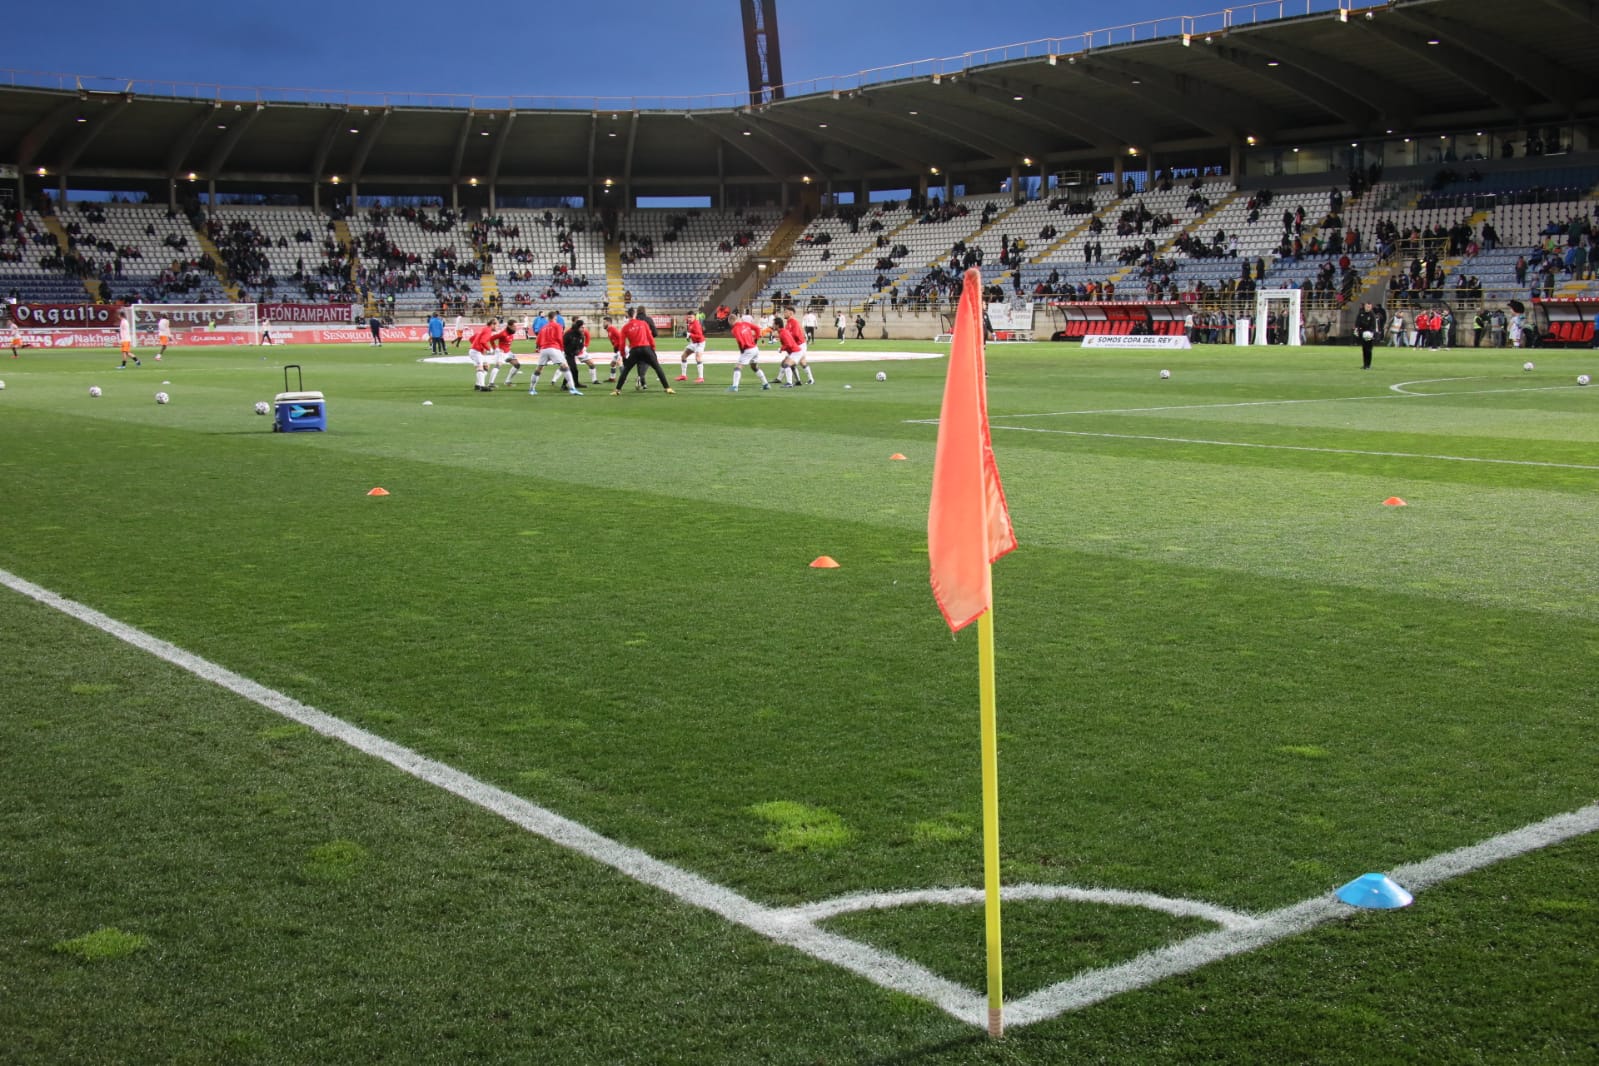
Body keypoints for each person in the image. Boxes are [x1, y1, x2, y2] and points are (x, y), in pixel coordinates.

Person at [612, 307, 674, 395]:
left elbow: (622, 344)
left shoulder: (625, 328)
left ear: (627, 316)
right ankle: (667, 388)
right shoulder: (643, 323)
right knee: (657, 368)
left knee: (626, 370)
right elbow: (650, 337)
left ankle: (617, 390)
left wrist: (623, 355)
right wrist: (652, 348)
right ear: (635, 314)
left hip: (634, 350)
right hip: (646, 348)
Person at [527, 312, 570, 395]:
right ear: (555, 318)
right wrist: (561, 348)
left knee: (539, 369)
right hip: (554, 348)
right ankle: (572, 388)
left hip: (544, 349)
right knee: (565, 366)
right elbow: (559, 338)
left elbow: (538, 339)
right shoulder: (558, 326)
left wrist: (538, 347)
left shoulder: (544, 327)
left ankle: (531, 389)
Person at [726, 314, 771, 393]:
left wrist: (741, 349)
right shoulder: (745, 323)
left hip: (748, 349)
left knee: (738, 367)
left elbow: (740, 341)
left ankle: (735, 387)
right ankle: (766, 384)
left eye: (729, 322)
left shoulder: (735, 329)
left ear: (731, 321)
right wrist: (756, 338)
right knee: (754, 367)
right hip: (755, 349)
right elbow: (757, 328)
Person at [468, 317, 500, 391]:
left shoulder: (484, 329)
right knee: (480, 367)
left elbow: (471, 339)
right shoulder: (488, 331)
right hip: (476, 352)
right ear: (493, 324)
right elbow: (483, 341)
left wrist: (476, 346)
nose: (497, 327)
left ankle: (478, 384)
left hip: (475, 351)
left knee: (486, 366)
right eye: (497, 325)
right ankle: (482, 386)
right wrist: (489, 349)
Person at [785, 307, 815, 385]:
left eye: (786, 312)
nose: (784, 313)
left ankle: (797, 381)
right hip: (795, 346)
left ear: (791, 313)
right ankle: (807, 380)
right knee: (802, 362)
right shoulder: (788, 322)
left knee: (791, 363)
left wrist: (787, 337)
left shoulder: (794, 322)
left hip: (800, 345)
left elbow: (796, 334)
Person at [677, 313, 707, 383]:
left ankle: (701, 378)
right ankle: (683, 376)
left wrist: (690, 334)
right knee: (683, 356)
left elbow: (699, 336)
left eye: (691, 317)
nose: (689, 319)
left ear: (694, 317)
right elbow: (691, 333)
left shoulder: (696, 324)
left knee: (698, 358)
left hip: (700, 343)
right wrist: (688, 337)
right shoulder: (690, 324)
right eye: (688, 317)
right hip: (694, 343)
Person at [1354, 301, 1379, 370]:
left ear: (1371, 307)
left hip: (1370, 334)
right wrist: (1358, 330)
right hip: (1362, 334)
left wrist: (1371, 333)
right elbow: (1357, 323)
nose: (1368, 308)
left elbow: (1373, 325)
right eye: (1367, 306)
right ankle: (1365, 364)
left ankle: (1368, 365)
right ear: (1364, 306)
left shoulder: (1372, 315)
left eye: (1369, 307)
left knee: (1369, 350)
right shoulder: (1361, 314)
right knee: (1364, 350)